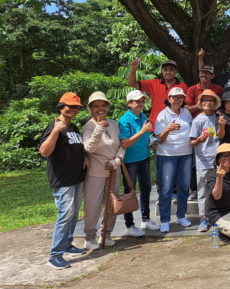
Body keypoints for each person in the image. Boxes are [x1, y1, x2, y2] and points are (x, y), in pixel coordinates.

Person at [39, 93, 86, 269]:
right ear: (61, 107)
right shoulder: (55, 126)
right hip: (62, 179)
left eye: (76, 107)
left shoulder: (73, 127)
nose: (73, 109)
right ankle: (55, 255)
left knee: (73, 214)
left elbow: (77, 149)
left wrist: (85, 157)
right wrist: (55, 131)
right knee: (65, 214)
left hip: (76, 177)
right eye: (70, 106)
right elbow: (44, 152)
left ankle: (67, 244)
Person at [81, 92, 124, 249]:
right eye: (96, 106)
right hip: (95, 172)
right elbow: (89, 148)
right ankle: (89, 237)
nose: (101, 109)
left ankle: (106, 234)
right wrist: (99, 128)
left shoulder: (113, 123)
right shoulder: (89, 126)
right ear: (91, 109)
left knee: (112, 205)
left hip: (114, 170)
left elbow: (121, 145)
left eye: (103, 105)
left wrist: (117, 160)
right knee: (92, 205)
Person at [118, 89, 158, 237]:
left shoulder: (143, 116)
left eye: (142, 101)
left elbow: (142, 138)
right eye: (137, 101)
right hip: (130, 161)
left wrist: (150, 142)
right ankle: (129, 225)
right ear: (129, 103)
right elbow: (125, 143)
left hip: (144, 157)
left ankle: (146, 219)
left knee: (146, 189)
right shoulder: (124, 120)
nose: (141, 103)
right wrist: (142, 132)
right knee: (130, 192)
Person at [154, 87, 194, 233]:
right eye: (175, 97)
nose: (178, 100)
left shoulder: (186, 113)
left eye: (180, 97)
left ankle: (181, 216)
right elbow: (158, 139)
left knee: (184, 186)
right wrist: (168, 129)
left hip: (186, 154)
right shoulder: (162, 115)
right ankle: (165, 219)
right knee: (166, 188)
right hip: (167, 155)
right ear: (169, 99)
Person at [188, 88, 224, 232]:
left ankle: (216, 215)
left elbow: (220, 136)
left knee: (218, 188)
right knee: (203, 190)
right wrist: (198, 140)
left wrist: (221, 124)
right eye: (205, 100)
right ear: (201, 102)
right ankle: (203, 217)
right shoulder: (197, 120)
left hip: (217, 160)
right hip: (202, 160)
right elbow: (192, 143)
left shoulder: (217, 118)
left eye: (211, 100)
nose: (208, 103)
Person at [127, 58, 188, 126]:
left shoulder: (183, 86)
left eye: (171, 69)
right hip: (156, 123)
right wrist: (134, 69)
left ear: (176, 71)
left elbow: (185, 106)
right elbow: (131, 83)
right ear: (162, 71)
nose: (168, 72)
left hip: (175, 124)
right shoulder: (153, 83)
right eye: (165, 69)